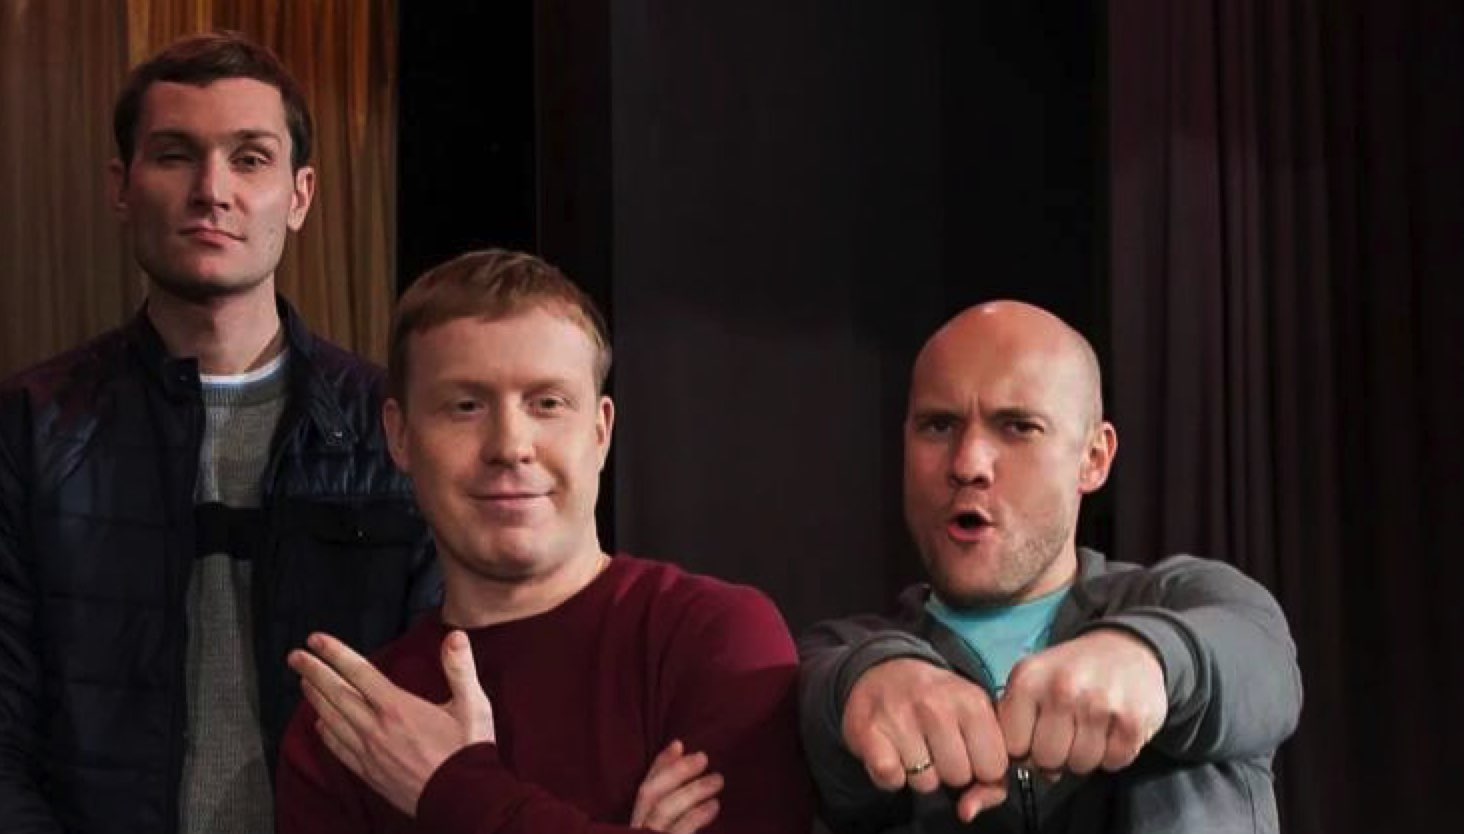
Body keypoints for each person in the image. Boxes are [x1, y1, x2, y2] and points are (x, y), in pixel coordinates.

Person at [0, 32, 439, 834]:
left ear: (300, 196)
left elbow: (448, 714)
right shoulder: (30, 429)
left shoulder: (394, 428)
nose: (212, 190)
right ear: (121, 186)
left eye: (249, 159)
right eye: (175, 155)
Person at [275, 249, 814, 834]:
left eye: (548, 404)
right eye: (466, 406)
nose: (511, 446)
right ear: (399, 436)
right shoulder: (352, 726)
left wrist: (453, 789)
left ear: (601, 432)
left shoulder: (714, 637)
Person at [798, 301, 1302, 833]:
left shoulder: (1191, 599)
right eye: (938, 426)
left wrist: (1149, 659)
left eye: (1018, 427)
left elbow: (1261, 663)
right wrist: (868, 684)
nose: (968, 464)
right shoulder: (838, 652)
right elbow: (818, 697)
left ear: (1094, 458)